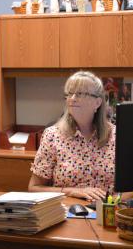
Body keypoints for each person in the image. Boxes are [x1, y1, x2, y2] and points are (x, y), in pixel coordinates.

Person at [28, 71, 115, 201]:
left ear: (97, 103)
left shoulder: (116, 136)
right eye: (70, 93)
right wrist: (72, 191)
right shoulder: (52, 135)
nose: (73, 98)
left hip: (107, 211)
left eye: (80, 94)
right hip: (68, 212)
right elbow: (34, 188)